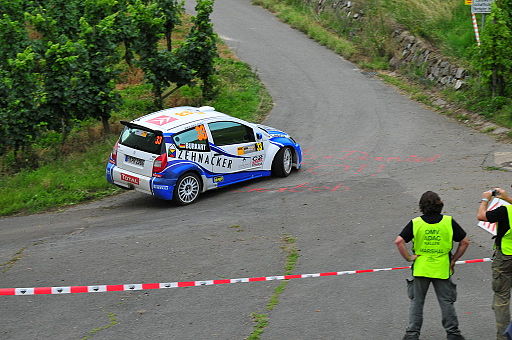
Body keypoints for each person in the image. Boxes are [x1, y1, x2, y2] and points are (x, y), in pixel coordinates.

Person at [394, 191, 470, 340]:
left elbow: (399, 241)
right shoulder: (448, 221)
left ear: (422, 206)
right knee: (446, 302)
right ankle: (453, 333)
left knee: (417, 302)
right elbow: (465, 242)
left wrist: (409, 257)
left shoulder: (416, 223)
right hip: (442, 268)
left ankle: (412, 334)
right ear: (439, 205)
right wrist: (453, 259)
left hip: (421, 267)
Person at [477, 187, 512, 340]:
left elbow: (481, 216)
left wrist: (485, 199)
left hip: (505, 257)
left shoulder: (505, 211)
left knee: (502, 298)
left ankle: (504, 337)